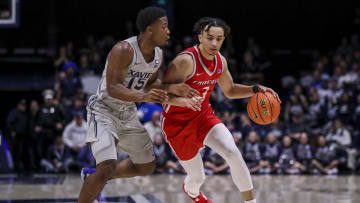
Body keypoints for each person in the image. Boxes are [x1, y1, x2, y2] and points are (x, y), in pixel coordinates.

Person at [78, 7, 200, 203]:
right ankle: (98, 177)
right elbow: (113, 88)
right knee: (107, 165)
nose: (169, 31)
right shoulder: (124, 49)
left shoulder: (158, 55)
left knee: (147, 166)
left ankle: (94, 176)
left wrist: (174, 88)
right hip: (103, 110)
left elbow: (150, 84)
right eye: (164, 27)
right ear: (150, 30)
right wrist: (144, 97)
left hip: (127, 112)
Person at [161, 17, 280, 203]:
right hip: (177, 124)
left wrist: (255, 89)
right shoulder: (185, 61)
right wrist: (184, 102)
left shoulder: (220, 62)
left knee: (232, 152)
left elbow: (230, 90)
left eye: (219, 38)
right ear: (200, 37)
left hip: (203, 117)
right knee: (198, 178)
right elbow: (159, 93)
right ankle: (192, 192)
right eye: (210, 38)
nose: (214, 43)